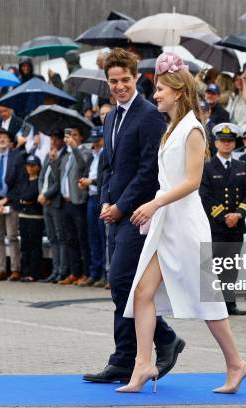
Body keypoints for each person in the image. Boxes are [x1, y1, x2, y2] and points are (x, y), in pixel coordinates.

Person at [116, 52, 246, 394]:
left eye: (160, 88)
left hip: (186, 223)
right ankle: (143, 363)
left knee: (208, 299)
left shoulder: (192, 129)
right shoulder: (173, 128)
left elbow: (192, 181)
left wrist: (154, 203)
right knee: (142, 293)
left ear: (177, 90)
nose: (155, 94)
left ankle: (236, 363)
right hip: (167, 223)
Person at [83, 48, 183, 386]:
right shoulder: (110, 117)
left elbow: (148, 169)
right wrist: (105, 201)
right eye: (113, 81)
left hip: (140, 215)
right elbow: (110, 167)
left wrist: (122, 206)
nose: (119, 86)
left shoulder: (150, 115)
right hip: (116, 212)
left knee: (125, 282)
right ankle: (126, 357)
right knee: (120, 285)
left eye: (125, 79)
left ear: (136, 77)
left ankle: (163, 339)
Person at [200, 123, 246, 316]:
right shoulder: (208, 167)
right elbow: (205, 196)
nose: (227, 144)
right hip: (217, 226)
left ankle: (230, 303)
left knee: (231, 266)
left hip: (236, 226)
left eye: (230, 141)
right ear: (216, 142)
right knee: (214, 266)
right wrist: (224, 217)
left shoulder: (241, 167)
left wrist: (238, 214)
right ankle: (213, 304)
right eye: (223, 141)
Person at [0, 126, 26, 282]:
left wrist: (5, 200)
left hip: (11, 202)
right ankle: (1, 269)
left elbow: (20, 183)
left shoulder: (17, 158)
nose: (2, 140)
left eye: (5, 138)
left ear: (9, 141)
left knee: (13, 236)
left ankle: (15, 269)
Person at [57, 127, 91, 286]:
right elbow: (60, 176)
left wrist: (74, 147)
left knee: (82, 238)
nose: (71, 138)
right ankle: (74, 272)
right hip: (65, 202)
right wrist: (52, 159)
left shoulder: (84, 152)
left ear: (81, 138)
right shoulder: (65, 156)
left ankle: (86, 273)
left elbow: (83, 166)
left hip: (78, 202)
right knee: (70, 239)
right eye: (69, 135)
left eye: (75, 135)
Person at [38, 129, 69, 283]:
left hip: (56, 202)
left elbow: (59, 180)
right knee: (51, 236)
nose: (53, 142)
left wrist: (47, 195)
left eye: (56, 139)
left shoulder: (64, 156)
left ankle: (62, 270)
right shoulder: (47, 156)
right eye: (51, 139)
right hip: (45, 201)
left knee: (60, 236)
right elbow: (42, 176)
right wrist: (41, 194)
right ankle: (54, 269)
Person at [77, 128, 106, 287]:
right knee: (93, 237)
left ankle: (105, 274)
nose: (95, 143)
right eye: (94, 139)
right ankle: (94, 273)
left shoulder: (106, 153)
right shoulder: (91, 156)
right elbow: (88, 173)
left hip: (102, 198)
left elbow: (105, 177)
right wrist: (85, 182)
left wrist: (91, 182)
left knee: (104, 237)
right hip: (91, 197)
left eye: (98, 139)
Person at [18, 155, 44, 282]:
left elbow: (30, 196)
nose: (30, 168)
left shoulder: (39, 181)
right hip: (23, 216)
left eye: (33, 165)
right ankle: (25, 271)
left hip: (35, 217)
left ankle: (34, 272)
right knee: (24, 245)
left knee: (34, 245)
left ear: (38, 167)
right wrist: (24, 200)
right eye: (28, 165)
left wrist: (25, 200)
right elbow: (21, 195)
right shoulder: (24, 180)